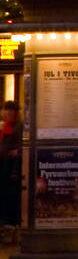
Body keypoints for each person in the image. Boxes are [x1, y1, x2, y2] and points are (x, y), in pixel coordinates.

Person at [0, 102, 22, 240]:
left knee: (10, 200)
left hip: (11, 171)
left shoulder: (18, 128)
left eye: (10, 112)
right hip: (5, 168)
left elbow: (19, 149)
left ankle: (10, 228)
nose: (7, 114)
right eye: (5, 112)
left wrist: (14, 153)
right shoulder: (4, 127)